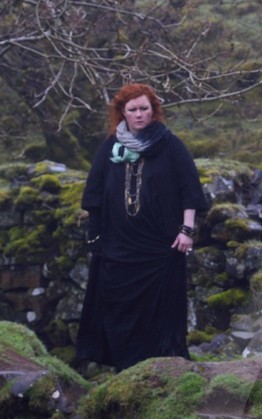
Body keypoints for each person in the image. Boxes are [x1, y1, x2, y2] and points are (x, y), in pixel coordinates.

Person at [77, 83, 206, 370]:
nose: (139, 115)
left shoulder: (170, 144)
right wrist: (95, 234)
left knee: (159, 310)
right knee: (119, 308)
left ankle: (163, 368)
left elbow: (190, 190)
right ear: (122, 112)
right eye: (132, 109)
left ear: (154, 110)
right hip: (118, 247)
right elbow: (95, 193)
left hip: (161, 248)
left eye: (144, 109)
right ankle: (125, 368)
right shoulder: (111, 145)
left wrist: (186, 230)